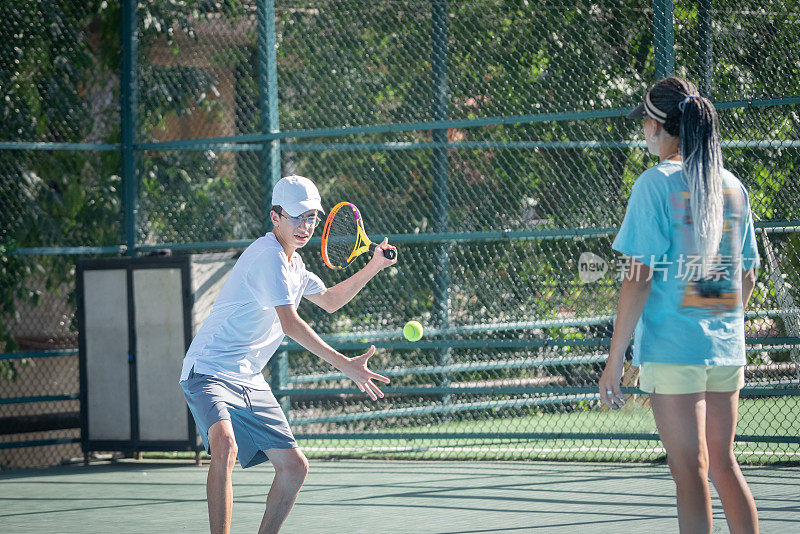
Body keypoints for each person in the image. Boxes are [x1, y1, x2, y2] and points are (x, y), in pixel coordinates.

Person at [179, 174, 396, 534]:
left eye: (312, 217)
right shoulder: (268, 257)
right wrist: (347, 366)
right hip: (209, 370)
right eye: (297, 217)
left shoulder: (295, 267)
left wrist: (373, 265)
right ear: (274, 218)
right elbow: (290, 325)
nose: (306, 225)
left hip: (248, 377)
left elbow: (329, 301)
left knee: (294, 468)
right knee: (225, 445)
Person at [599, 77, 760, 533]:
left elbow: (638, 280)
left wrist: (615, 361)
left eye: (645, 121)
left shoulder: (654, 184)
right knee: (723, 464)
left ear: (659, 125)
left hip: (674, 352)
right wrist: (716, 326)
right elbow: (746, 276)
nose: (643, 130)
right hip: (726, 350)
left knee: (688, 471)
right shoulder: (732, 185)